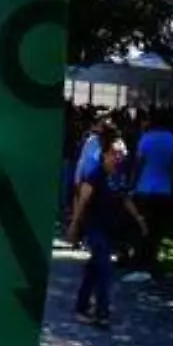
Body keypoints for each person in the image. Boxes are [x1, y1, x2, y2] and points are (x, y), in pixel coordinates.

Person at [67, 127, 146, 328]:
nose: (117, 158)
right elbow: (82, 201)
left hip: (111, 229)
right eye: (114, 154)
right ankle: (102, 313)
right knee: (105, 270)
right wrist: (74, 226)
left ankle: (81, 307)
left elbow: (125, 198)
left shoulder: (117, 177)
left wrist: (139, 218)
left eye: (120, 155)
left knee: (94, 269)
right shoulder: (95, 175)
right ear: (105, 155)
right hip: (95, 228)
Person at [126, 113, 173, 284]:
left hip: (144, 188)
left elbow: (138, 163)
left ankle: (137, 261)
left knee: (141, 226)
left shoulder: (146, 139)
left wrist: (131, 184)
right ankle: (151, 262)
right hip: (165, 191)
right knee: (156, 228)